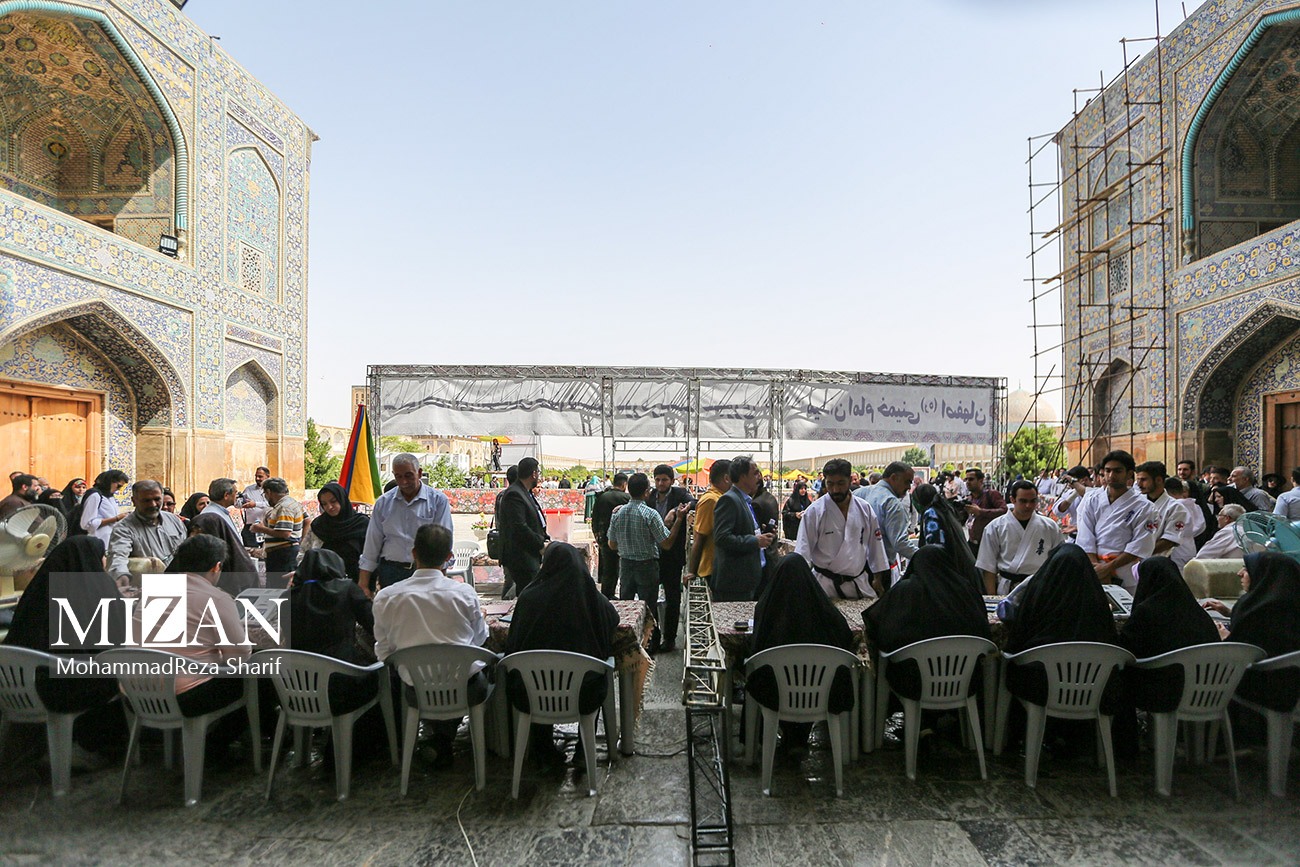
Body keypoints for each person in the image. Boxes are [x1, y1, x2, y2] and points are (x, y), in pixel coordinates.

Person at [373, 524, 488, 769]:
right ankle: (449, 742)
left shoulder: (386, 597)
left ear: (414, 553)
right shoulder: (464, 594)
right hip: (464, 689)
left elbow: (384, 653)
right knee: (486, 672)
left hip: (417, 690)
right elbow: (479, 640)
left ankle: (438, 741)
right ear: (449, 557)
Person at [3, 536, 127, 760]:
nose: (104, 561)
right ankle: (93, 745)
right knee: (128, 677)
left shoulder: (37, 590)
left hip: (17, 689)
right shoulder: (97, 591)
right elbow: (118, 642)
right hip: (62, 692)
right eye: (102, 556)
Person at [505, 543, 618, 764]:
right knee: (594, 671)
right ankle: (583, 752)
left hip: (532, 697)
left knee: (538, 674)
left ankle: (542, 748)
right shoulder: (590, 599)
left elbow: (513, 644)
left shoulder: (528, 599)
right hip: (583, 696)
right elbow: (613, 620)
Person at [1001, 544, 1121, 731]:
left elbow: (1007, 612)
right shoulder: (1097, 605)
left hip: (1040, 686)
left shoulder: (1039, 592)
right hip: (1094, 688)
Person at [746, 554, 855, 749]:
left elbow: (755, 648)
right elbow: (845, 636)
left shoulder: (768, 611)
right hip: (820, 697)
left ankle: (782, 736)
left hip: (776, 696)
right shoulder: (823, 611)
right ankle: (800, 736)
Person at [865, 545, 992, 702]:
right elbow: (984, 629)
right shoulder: (967, 591)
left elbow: (881, 630)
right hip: (966, 682)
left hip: (914, 683)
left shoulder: (905, 592)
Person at [1120, 557, 1220, 710]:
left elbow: (1125, 652)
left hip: (1164, 695)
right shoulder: (1196, 611)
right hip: (1205, 691)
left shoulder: (1146, 612)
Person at [1211, 553, 1300, 715]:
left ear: (1263, 574)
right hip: (1293, 687)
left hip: (1263, 687)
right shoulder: (1290, 605)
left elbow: (1241, 653)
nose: (1240, 573)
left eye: (1247, 569)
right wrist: (1230, 613)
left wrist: (1225, 636)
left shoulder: (1251, 607)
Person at [608, 472, 687, 649]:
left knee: (627, 607)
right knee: (649, 608)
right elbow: (666, 543)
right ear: (646, 492)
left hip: (625, 565)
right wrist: (679, 519)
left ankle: (627, 644)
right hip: (647, 566)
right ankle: (649, 644)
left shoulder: (618, 514)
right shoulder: (650, 514)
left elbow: (612, 544)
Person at [358, 454, 454, 597]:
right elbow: (372, 544)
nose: (404, 481)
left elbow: (443, 543)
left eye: (409, 476)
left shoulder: (438, 501)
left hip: (425, 573)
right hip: (391, 572)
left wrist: (440, 580)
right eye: (399, 476)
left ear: (419, 473)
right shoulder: (383, 503)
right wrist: (363, 584)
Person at [793, 459, 889, 600]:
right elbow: (803, 553)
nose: (835, 489)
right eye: (830, 484)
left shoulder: (865, 509)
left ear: (849, 480)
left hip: (858, 583)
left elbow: (876, 547)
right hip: (823, 585)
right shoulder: (814, 512)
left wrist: (877, 579)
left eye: (840, 483)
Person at [1075, 450, 1154, 589]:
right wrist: (1097, 569)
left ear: (1129, 474)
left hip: (1125, 572)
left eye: (1117, 471)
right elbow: (1085, 537)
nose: (1111, 475)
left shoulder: (1144, 506)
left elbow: (1141, 545)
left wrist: (1108, 568)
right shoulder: (1092, 500)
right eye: (1107, 471)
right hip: (1094, 570)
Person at [976, 481, 1064, 595]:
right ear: (1012, 500)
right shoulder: (995, 527)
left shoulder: (1050, 526)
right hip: (1008, 587)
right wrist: (991, 597)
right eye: (1023, 501)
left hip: (1040, 587)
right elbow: (988, 566)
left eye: (1033, 501)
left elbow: (1059, 561)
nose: (1028, 505)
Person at [710, 455, 776, 602]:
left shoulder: (745, 500)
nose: (759, 477)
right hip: (734, 584)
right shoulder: (729, 500)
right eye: (755, 473)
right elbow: (721, 538)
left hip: (748, 580)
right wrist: (755, 541)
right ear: (742, 477)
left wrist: (761, 533)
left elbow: (741, 530)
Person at [647, 465, 694, 649]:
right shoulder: (650, 496)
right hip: (652, 554)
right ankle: (653, 637)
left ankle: (670, 638)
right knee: (650, 598)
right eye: (658, 479)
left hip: (672, 555)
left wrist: (675, 510)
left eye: (664, 480)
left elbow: (694, 502)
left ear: (672, 481)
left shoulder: (680, 494)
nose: (660, 483)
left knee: (673, 598)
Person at [106, 480, 187, 588]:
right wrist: (121, 575)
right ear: (134, 501)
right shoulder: (123, 528)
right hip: (149, 588)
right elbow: (118, 556)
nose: (153, 504)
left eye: (157, 499)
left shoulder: (174, 521)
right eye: (146, 500)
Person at [855, 461, 918, 587]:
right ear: (894, 477)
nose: (909, 487)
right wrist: (924, 555)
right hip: (879, 572)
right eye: (907, 482)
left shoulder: (858, 494)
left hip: (854, 568)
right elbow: (900, 543)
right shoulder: (892, 504)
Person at [494, 457, 548, 598]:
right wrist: (540, 544)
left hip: (529, 553)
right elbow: (519, 527)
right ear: (534, 474)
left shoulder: (525, 492)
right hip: (521, 556)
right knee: (530, 595)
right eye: (538, 473)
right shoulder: (514, 494)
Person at [911, 482, 981, 591]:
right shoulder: (944, 510)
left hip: (952, 578)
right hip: (963, 573)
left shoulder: (931, 514)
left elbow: (934, 551)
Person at [1134, 461, 1195, 572]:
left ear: (1158, 480)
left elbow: (1169, 540)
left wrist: (1138, 552)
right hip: (1130, 561)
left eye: (1143, 480)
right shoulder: (1136, 503)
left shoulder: (1176, 507)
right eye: (1137, 480)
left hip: (1156, 562)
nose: (1139, 484)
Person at [303, 482, 370, 581]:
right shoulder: (318, 525)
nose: (329, 507)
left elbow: (371, 556)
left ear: (342, 499)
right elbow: (305, 552)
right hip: (323, 582)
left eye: (333, 501)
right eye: (324, 504)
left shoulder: (361, 524)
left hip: (356, 581)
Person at [685, 459, 732, 591]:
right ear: (726, 478)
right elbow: (699, 537)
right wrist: (691, 571)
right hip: (713, 568)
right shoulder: (711, 500)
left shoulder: (720, 498)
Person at [250, 477, 303, 589]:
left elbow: (285, 533)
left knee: (279, 588)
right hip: (284, 552)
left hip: (283, 554)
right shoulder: (291, 503)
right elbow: (306, 520)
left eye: (265, 494)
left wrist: (260, 529)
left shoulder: (284, 507)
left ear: (269, 492)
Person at [189, 512, 259, 595]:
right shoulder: (186, 559)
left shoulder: (241, 565)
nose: (193, 536)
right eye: (193, 531)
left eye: (200, 532)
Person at [591, 473, 631, 598]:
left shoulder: (602, 497)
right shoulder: (626, 498)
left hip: (604, 538)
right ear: (624, 484)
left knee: (608, 569)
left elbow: (594, 517)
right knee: (624, 569)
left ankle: (607, 595)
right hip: (623, 539)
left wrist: (597, 535)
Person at [961, 467, 1006, 561]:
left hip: (989, 544)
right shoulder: (969, 498)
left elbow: (1004, 511)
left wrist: (981, 512)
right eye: (966, 479)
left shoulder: (991, 494)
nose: (968, 482)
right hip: (973, 543)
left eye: (971, 479)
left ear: (981, 481)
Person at [77, 470, 130, 544]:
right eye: (118, 486)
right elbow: (87, 524)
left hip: (111, 541)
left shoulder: (110, 497)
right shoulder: (95, 496)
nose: (118, 489)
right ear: (110, 482)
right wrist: (115, 519)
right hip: (97, 540)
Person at [239, 466, 271, 548]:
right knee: (251, 549)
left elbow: (272, 504)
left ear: (267, 477)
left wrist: (255, 504)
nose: (257, 479)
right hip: (251, 526)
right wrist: (240, 501)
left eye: (260, 476)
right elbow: (239, 504)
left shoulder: (272, 490)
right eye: (256, 476)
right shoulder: (248, 489)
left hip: (267, 525)